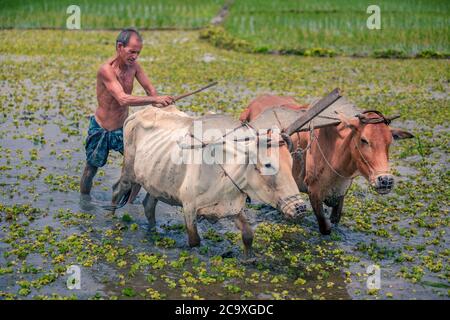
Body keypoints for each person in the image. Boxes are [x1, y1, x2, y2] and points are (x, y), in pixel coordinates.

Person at [80, 28, 173, 198]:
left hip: (123, 129)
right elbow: (122, 98)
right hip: (101, 128)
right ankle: (84, 202)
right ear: (120, 47)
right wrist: (155, 99)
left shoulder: (134, 67)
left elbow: (150, 90)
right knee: (90, 168)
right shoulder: (106, 70)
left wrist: (163, 104)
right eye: (132, 52)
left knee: (138, 167)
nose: (135, 56)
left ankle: (129, 206)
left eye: (138, 53)